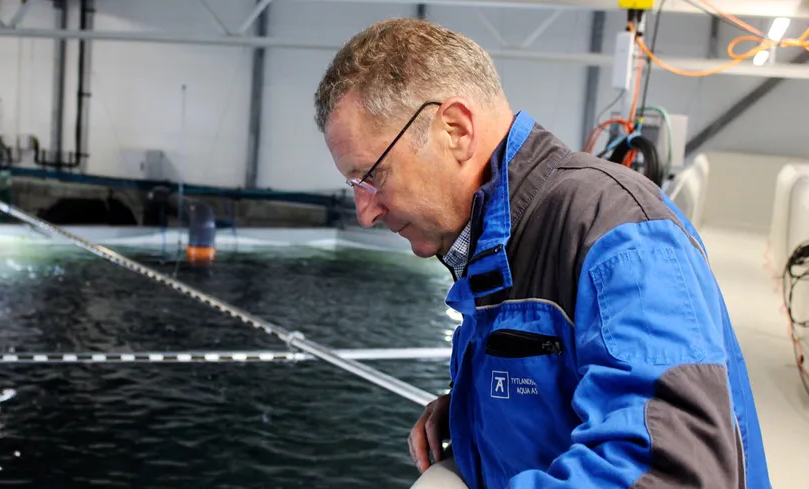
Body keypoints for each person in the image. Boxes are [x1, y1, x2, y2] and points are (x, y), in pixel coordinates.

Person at [313, 18, 771, 489]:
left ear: (455, 129)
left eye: (372, 176)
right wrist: (473, 409)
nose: (364, 212)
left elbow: (671, 470)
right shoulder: (497, 241)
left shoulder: (619, 232)